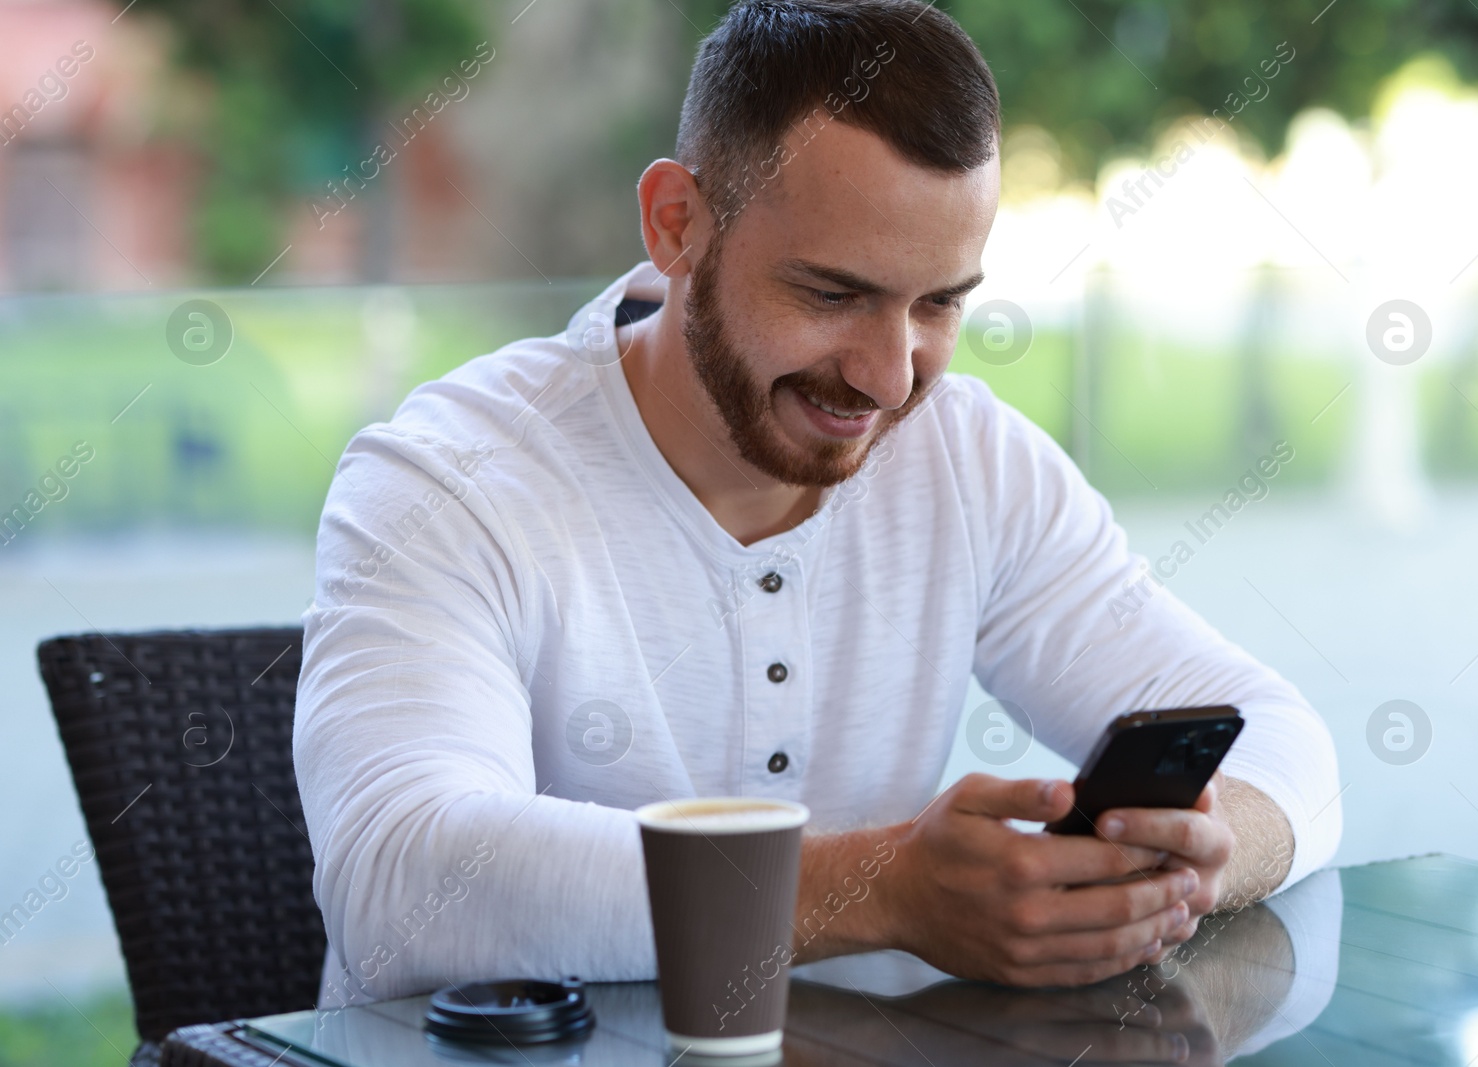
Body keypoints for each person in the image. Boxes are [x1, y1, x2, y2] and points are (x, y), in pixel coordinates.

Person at [295, 0, 1342, 1010]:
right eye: (832, 294)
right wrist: (880, 887)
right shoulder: (447, 478)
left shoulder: (969, 459)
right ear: (677, 224)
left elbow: (1282, 740)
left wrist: (1194, 860)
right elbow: (403, 877)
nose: (889, 378)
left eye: (939, 303)